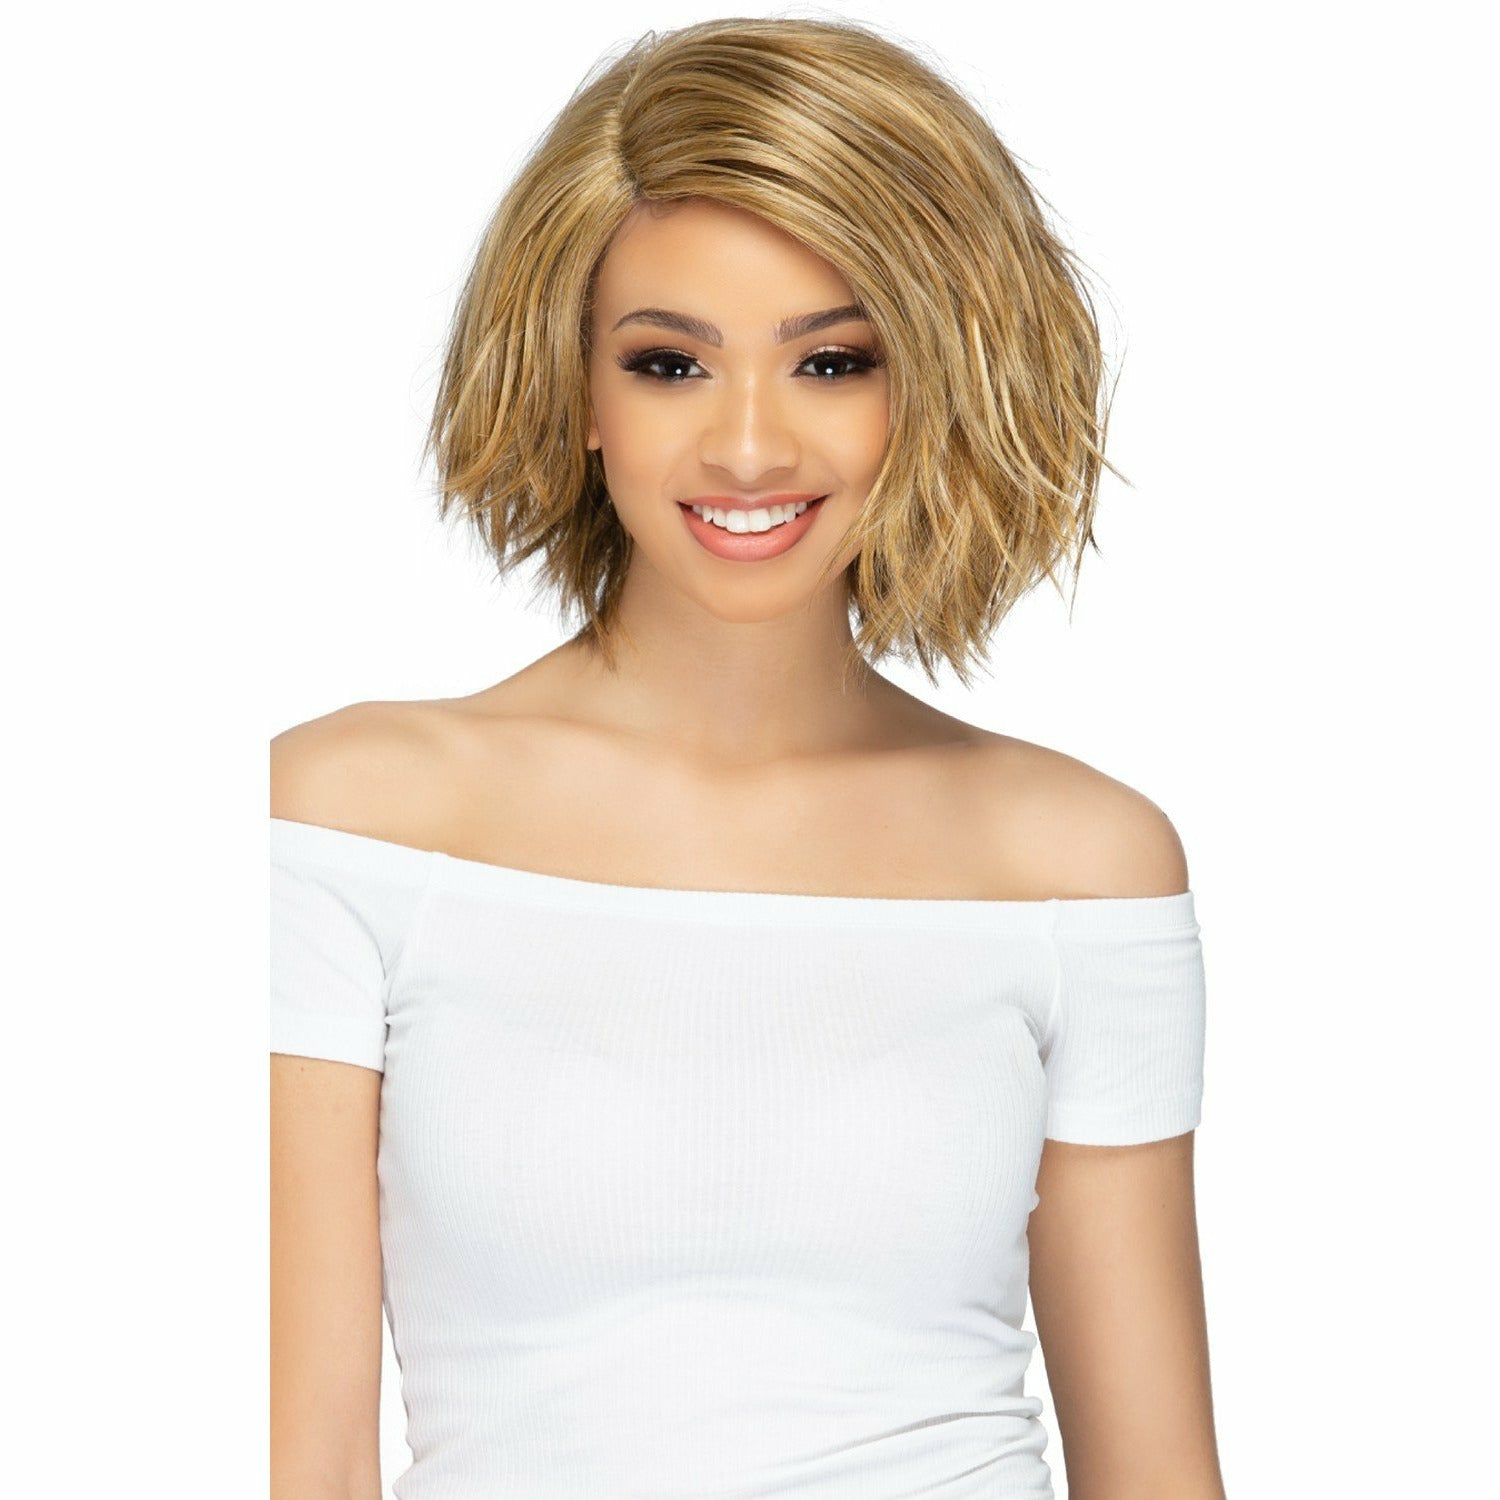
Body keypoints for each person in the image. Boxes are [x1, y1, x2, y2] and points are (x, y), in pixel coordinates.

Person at [270, 16, 1225, 1500]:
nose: (749, 448)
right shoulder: (350, 824)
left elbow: (1157, 1474)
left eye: (832, 362)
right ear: (580, 392)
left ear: (933, 384)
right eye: (671, 364)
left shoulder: (1077, 863)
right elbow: (301, 1457)